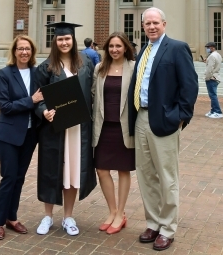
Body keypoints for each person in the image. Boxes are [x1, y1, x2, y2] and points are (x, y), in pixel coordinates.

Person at [127, 7, 198, 251]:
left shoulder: (177, 49)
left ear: (164, 24)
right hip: (141, 118)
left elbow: (189, 86)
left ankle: (168, 228)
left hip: (165, 121)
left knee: (167, 177)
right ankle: (153, 222)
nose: (152, 27)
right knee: (146, 176)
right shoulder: (144, 50)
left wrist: (180, 117)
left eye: (156, 23)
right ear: (143, 26)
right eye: (147, 23)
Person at [34, 22, 96, 236]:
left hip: (79, 129)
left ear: (73, 39)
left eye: (67, 38)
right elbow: (38, 97)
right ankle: (48, 216)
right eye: (60, 39)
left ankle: (68, 217)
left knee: (73, 172)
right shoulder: (47, 66)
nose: (64, 42)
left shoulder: (85, 62)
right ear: (55, 41)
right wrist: (44, 111)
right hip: (55, 129)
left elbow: (94, 92)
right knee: (52, 170)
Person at [0, 35, 43, 240]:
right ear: (14, 51)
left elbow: (43, 99)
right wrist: (31, 100)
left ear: (32, 52)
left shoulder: (36, 73)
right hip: (8, 135)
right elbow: (5, 107)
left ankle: (11, 217)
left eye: (27, 49)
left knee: (19, 178)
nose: (24, 52)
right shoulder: (5, 74)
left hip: (30, 135)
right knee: (9, 177)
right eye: (20, 48)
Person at [92, 31, 135, 234]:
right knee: (101, 170)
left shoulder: (133, 68)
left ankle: (121, 214)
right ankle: (112, 210)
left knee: (123, 170)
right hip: (103, 126)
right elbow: (92, 94)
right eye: (111, 46)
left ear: (125, 47)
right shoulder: (99, 68)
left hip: (124, 127)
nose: (114, 49)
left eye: (118, 46)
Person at [204, 41, 223, 118]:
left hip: (212, 78)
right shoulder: (218, 55)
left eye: (208, 47)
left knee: (213, 95)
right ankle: (213, 110)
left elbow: (210, 69)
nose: (207, 49)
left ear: (212, 47)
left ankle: (218, 111)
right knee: (213, 95)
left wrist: (207, 78)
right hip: (216, 76)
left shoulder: (212, 56)